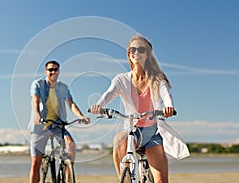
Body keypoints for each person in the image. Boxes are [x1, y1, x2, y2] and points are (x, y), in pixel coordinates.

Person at [90, 35, 189, 183]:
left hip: (153, 132)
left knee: (161, 180)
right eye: (132, 49)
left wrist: (169, 107)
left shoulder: (156, 78)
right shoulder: (121, 79)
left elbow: (166, 94)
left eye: (141, 49)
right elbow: (108, 94)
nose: (136, 52)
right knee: (119, 140)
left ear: (147, 54)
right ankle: (124, 179)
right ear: (129, 54)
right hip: (132, 131)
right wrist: (99, 105)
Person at [28, 60, 90, 183]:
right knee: (36, 162)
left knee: (71, 144)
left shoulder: (63, 88)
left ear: (59, 71)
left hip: (57, 125)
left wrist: (81, 116)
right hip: (40, 126)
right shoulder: (38, 84)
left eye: (55, 69)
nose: (53, 72)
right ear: (46, 72)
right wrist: (37, 114)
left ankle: (68, 177)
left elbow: (71, 103)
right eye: (50, 69)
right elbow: (35, 100)